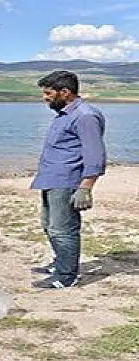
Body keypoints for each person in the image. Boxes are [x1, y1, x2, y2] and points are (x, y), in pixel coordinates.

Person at [30, 71, 106, 289]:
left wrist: (86, 187)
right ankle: (60, 263)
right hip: (51, 179)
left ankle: (67, 276)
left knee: (63, 229)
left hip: (68, 181)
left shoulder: (85, 116)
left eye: (48, 93)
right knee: (49, 226)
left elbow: (95, 154)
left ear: (65, 92)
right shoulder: (65, 114)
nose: (44, 98)